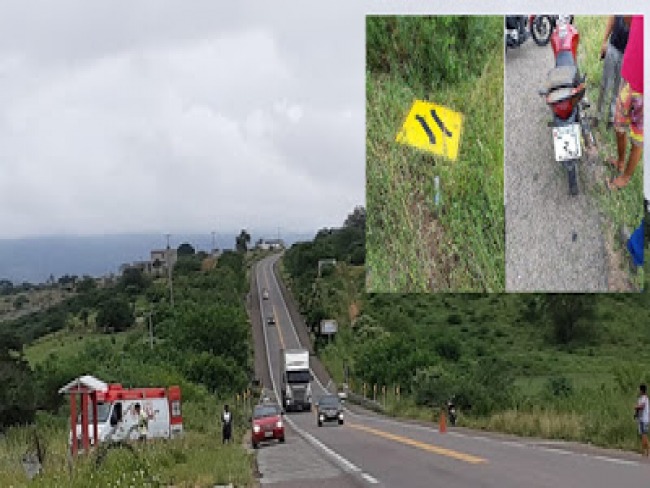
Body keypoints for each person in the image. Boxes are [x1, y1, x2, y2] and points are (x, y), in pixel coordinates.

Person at [607, 15, 643, 191]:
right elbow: (628, 18)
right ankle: (620, 162)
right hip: (628, 78)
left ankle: (626, 177)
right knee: (618, 125)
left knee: (638, 137)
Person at [596, 16, 629, 128]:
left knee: (618, 89)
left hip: (626, 54)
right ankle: (598, 116)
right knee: (605, 85)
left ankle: (611, 118)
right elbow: (612, 18)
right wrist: (604, 41)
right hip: (613, 48)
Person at [635, 384, 649, 457]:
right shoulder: (640, 398)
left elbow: (642, 406)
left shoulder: (644, 398)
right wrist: (636, 414)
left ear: (641, 390)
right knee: (642, 435)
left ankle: (647, 450)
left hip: (645, 419)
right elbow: (638, 409)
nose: (638, 391)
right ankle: (644, 450)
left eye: (639, 389)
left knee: (644, 435)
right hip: (640, 419)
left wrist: (636, 407)